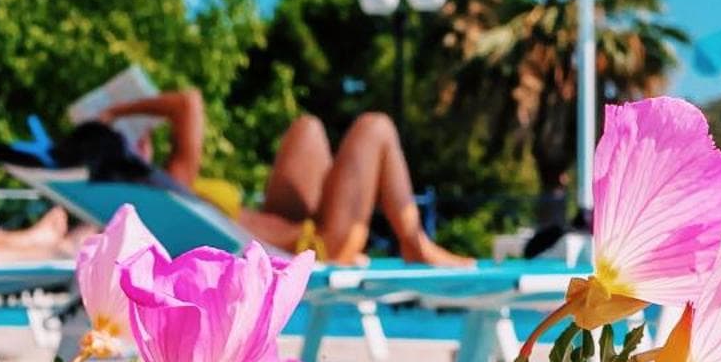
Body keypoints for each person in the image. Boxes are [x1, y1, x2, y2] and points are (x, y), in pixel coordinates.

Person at [96, 90, 468, 267]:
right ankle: (414, 243)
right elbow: (187, 102)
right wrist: (117, 110)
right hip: (319, 246)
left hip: (287, 226)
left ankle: (407, 239)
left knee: (307, 127)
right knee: (376, 126)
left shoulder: (163, 193)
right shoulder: (171, 183)